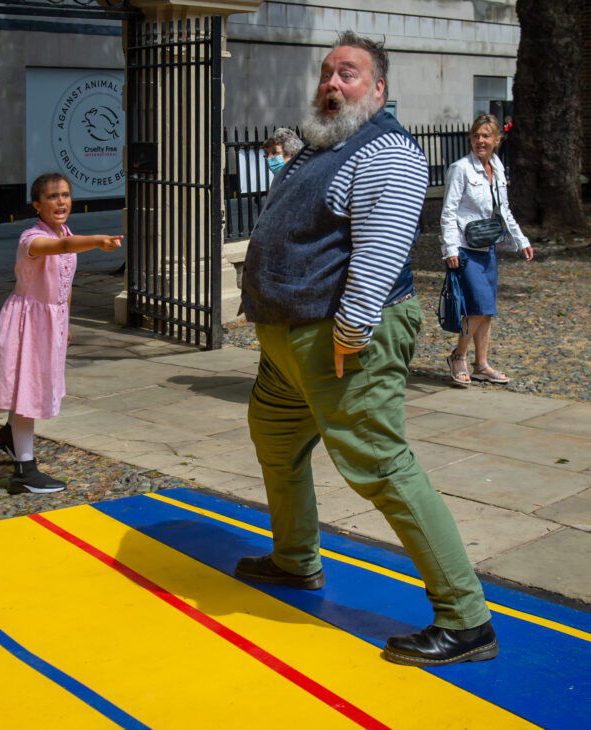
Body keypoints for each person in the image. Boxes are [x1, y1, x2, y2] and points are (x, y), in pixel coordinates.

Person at [238, 31, 498, 667]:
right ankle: (296, 560)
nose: (332, 83)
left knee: (380, 465)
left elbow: (380, 250)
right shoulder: (320, 146)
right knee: (274, 436)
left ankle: (467, 621)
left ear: (378, 89)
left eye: (348, 74)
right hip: (291, 342)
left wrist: (350, 335)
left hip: (343, 337)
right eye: (327, 73)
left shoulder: (386, 149)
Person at [0, 173, 122, 494]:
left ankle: (10, 435)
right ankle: (24, 470)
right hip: (28, 321)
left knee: (30, 386)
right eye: (52, 197)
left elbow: (66, 283)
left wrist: (67, 324)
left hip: (51, 320)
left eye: (65, 194)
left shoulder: (66, 230)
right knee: (28, 393)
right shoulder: (31, 239)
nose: (61, 201)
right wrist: (97, 241)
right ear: (37, 205)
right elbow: (60, 248)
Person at [441, 114, 533, 386]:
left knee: (487, 310)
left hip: (486, 247)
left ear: (496, 140)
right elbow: (448, 212)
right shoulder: (461, 169)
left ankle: (481, 364)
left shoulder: (497, 168)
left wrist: (522, 240)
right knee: (479, 307)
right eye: (476, 136)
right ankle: (458, 356)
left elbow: (503, 210)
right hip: (465, 248)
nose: (480, 141)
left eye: (485, 136)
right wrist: (450, 249)